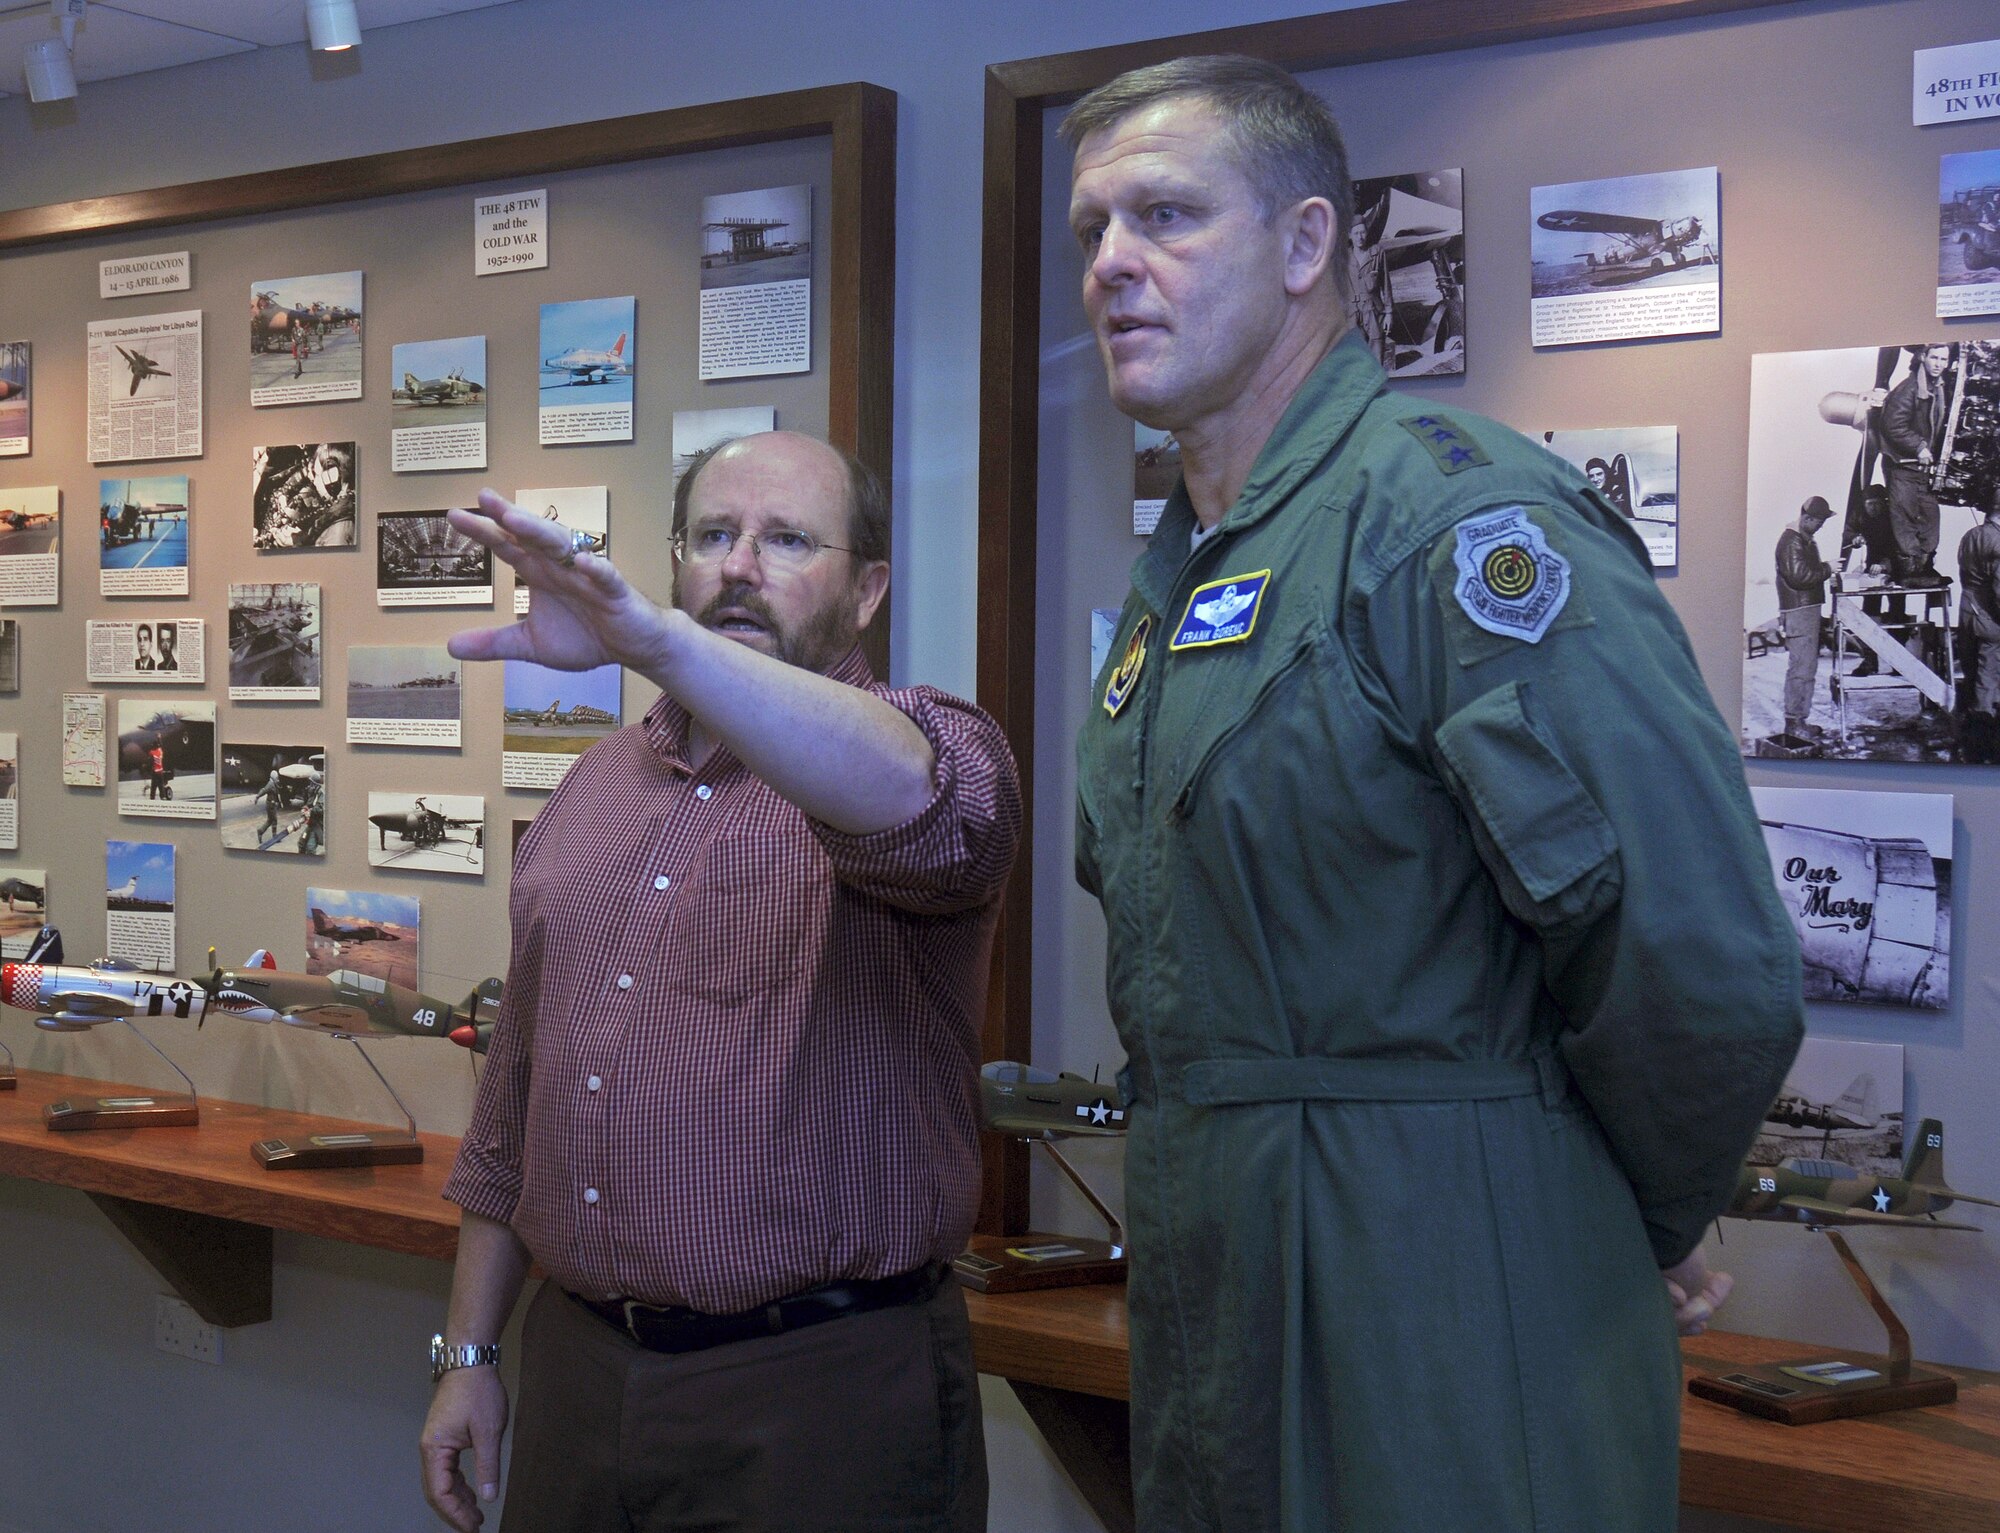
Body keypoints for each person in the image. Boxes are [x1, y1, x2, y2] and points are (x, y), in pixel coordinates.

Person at [1063, 56, 1802, 1532]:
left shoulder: (1456, 522)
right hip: (1224, 1274)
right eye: (1089, 231)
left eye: (1165, 215)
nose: (1109, 267)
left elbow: (1697, 954)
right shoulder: (1183, 581)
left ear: (1306, 245)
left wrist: (1611, 1220)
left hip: (1447, 1285)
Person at [419, 430, 1020, 1533]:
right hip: (579, 1369)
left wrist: (650, 643)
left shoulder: (932, 748)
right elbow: (515, 1099)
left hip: (820, 1393)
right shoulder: (592, 790)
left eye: (786, 538)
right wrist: (465, 1354)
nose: (738, 565)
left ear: (868, 587)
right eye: (711, 535)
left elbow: (910, 801)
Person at [1881, 343, 1954, 583]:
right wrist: (1919, 446)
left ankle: (1924, 567)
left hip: (1924, 472)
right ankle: (1908, 572)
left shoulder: (1939, 387)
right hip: (1904, 469)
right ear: (1923, 357)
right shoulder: (1908, 389)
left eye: (1943, 360)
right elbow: (1893, 426)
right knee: (1904, 521)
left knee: (1931, 521)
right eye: (1934, 358)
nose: (1938, 364)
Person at [1775, 495, 1834, 743]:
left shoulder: (1803, 540)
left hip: (1806, 608)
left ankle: (1799, 720)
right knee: (1801, 667)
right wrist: (1828, 569)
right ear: (1807, 518)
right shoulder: (1792, 541)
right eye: (1818, 521)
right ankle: (1794, 722)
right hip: (1800, 611)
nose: (1821, 525)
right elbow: (1799, 576)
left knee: (1806, 666)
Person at [1956, 488, 2000, 763]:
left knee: (1972, 674)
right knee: (1988, 676)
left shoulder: (1970, 536)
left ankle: (1967, 733)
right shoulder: (1997, 541)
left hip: (1966, 612)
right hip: (1990, 619)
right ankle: (1982, 745)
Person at [1344, 213, 1394, 368]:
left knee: (1376, 355)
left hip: (1373, 312)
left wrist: (1389, 313)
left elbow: (1386, 284)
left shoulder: (1377, 253)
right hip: (1352, 313)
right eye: (1356, 233)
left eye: (1363, 232)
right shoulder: (1344, 257)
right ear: (1350, 236)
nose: (1360, 237)